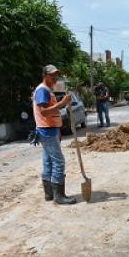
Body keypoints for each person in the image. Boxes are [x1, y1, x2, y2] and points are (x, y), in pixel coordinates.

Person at [33, 64, 77, 204]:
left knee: (48, 162)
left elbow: (49, 111)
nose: (55, 78)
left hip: (49, 129)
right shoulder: (43, 90)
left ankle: (49, 194)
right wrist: (62, 103)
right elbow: (44, 112)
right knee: (59, 162)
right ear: (44, 75)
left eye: (56, 75)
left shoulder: (46, 90)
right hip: (47, 130)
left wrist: (57, 129)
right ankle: (59, 196)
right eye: (52, 75)